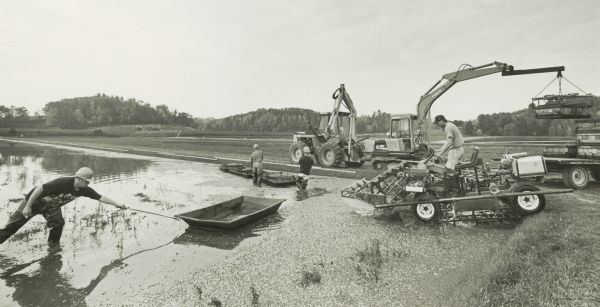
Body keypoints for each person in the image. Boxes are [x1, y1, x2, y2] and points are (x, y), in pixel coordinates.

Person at [0, 167, 127, 245]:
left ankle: (53, 247)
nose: (88, 184)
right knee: (12, 227)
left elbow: (100, 197)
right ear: (78, 178)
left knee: (58, 224)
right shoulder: (62, 182)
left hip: (51, 207)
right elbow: (39, 188)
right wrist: (27, 206)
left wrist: (118, 205)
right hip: (33, 202)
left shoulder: (84, 190)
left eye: (89, 182)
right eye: (86, 182)